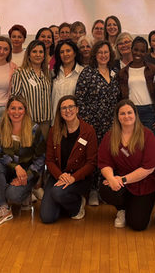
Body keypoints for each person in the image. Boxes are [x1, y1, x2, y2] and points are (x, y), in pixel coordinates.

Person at [98, 100, 155, 231]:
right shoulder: (111, 136)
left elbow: (148, 168)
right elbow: (104, 162)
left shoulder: (147, 135)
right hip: (121, 182)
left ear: (135, 114)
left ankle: (135, 208)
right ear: (117, 117)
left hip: (144, 184)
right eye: (122, 113)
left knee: (138, 225)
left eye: (129, 112)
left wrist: (122, 180)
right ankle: (121, 209)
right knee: (105, 189)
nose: (126, 116)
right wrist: (111, 178)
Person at [0, 96, 46, 226]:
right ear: (7, 110)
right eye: (13, 108)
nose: (16, 112)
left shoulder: (34, 129)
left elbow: (40, 159)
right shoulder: (0, 127)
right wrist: (16, 167)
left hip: (27, 174)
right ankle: (3, 208)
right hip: (8, 169)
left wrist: (26, 175)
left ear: (25, 110)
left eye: (20, 108)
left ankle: (23, 191)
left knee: (12, 195)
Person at [75, 40, 121, 205]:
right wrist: (87, 124)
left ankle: (105, 188)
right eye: (100, 52)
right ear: (95, 54)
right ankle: (93, 191)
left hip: (111, 125)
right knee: (93, 157)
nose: (103, 55)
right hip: (92, 125)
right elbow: (79, 100)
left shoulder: (115, 72)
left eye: (106, 52)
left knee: (109, 156)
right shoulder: (87, 73)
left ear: (111, 54)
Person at [40, 95, 98, 224]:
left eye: (71, 107)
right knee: (47, 218)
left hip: (79, 178)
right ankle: (63, 201)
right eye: (64, 108)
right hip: (58, 175)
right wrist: (60, 175)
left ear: (77, 109)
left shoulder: (88, 131)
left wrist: (73, 178)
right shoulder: (54, 131)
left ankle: (77, 206)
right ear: (60, 113)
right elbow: (49, 160)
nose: (68, 110)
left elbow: (91, 163)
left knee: (57, 193)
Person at [118, 37, 155, 141]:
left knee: (150, 143)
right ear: (131, 49)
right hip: (131, 112)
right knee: (132, 143)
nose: (138, 53)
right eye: (136, 50)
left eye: (142, 51)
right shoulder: (123, 72)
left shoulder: (153, 69)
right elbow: (120, 96)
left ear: (146, 52)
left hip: (150, 111)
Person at [11, 40, 53, 136]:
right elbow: (15, 98)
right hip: (28, 121)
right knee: (27, 150)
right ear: (28, 55)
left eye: (41, 52)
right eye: (34, 51)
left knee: (43, 150)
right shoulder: (20, 73)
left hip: (46, 121)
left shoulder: (47, 73)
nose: (38, 55)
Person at [52, 40, 84, 116]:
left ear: (75, 53)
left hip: (74, 117)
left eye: (68, 51)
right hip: (56, 117)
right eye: (62, 52)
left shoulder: (83, 72)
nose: (65, 54)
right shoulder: (54, 72)